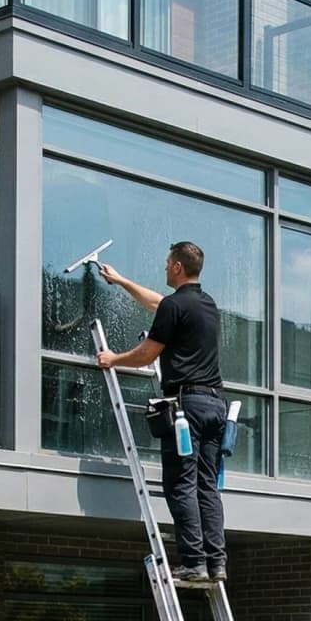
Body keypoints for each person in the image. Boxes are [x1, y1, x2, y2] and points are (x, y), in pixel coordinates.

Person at [95, 241, 228, 582]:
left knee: (181, 484)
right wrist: (123, 282)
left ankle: (195, 563)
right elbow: (158, 303)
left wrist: (113, 359)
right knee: (206, 487)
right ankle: (216, 563)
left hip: (188, 410)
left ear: (179, 267)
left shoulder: (175, 306)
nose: (165, 267)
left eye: (168, 263)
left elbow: (146, 355)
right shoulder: (207, 304)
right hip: (215, 406)